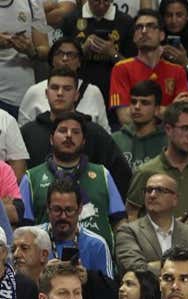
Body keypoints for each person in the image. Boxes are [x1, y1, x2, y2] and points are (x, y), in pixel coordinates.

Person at [19, 112, 125, 252]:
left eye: (75, 132)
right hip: (46, 264)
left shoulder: (102, 174)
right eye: (62, 130)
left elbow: (120, 223)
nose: (69, 135)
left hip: (96, 261)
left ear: (83, 141)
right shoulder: (31, 178)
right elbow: (23, 230)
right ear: (51, 139)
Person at [20, 66, 131, 194]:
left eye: (67, 89)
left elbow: (121, 175)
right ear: (46, 93)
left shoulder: (95, 133)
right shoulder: (28, 133)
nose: (60, 93)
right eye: (54, 88)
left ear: (77, 95)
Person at [125, 102, 188, 227]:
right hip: (156, 245)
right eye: (185, 129)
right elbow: (131, 215)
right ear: (168, 129)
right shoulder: (146, 172)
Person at [110, 9, 188, 127]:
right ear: (134, 37)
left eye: (151, 26)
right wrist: (170, 110)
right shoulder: (121, 68)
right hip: (135, 138)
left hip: (169, 138)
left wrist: (143, 112)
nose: (144, 31)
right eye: (139, 27)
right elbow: (125, 118)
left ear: (162, 35)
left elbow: (183, 116)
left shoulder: (178, 71)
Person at [115, 173, 188, 273]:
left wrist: (151, 265)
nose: (152, 195)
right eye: (148, 190)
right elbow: (135, 269)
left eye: (160, 190)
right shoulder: (128, 232)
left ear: (175, 199)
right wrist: (181, 267)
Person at [18, 38, 111, 131]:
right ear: (52, 60)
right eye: (59, 54)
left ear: (79, 62)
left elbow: (105, 132)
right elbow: (22, 133)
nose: (65, 58)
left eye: (71, 55)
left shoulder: (93, 92)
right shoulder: (35, 91)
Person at [33, 177, 116, 279]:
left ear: (80, 209)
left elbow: (109, 291)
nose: (63, 216)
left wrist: (89, 279)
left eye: (69, 210)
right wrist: (41, 277)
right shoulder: (32, 240)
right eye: (57, 209)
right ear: (47, 208)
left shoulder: (97, 245)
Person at [59, 0, 135, 103]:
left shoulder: (126, 22)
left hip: (114, 91)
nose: (102, 3)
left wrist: (112, 53)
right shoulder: (71, 20)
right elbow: (61, 63)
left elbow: (132, 68)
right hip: (78, 90)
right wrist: (82, 50)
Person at [111, 80, 167, 171]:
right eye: (133, 102)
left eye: (145, 103)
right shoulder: (115, 140)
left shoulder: (168, 142)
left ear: (157, 109)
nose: (137, 107)